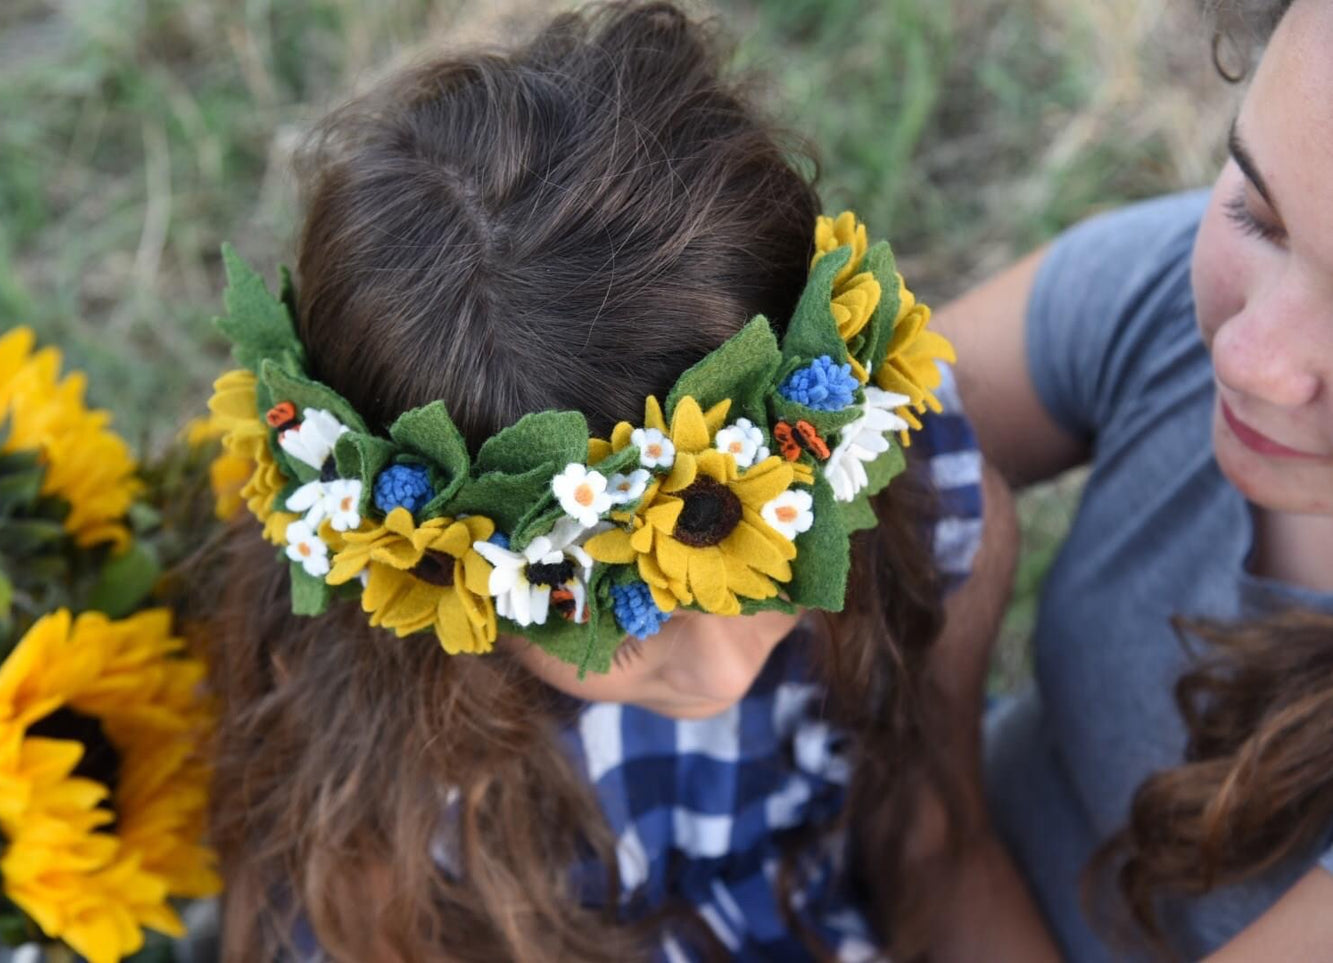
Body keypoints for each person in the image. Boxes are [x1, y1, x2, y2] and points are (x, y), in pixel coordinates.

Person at [197, 2, 1014, 961]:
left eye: (768, 549)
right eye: (621, 610)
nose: (721, 669)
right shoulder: (379, 758)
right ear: (434, 570)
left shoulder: (928, 519)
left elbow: (936, 844)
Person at [934, 0, 1333, 959]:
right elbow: (841, 435)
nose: (1244, 355)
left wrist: (933, 832)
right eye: (1257, 214)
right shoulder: (1164, 291)